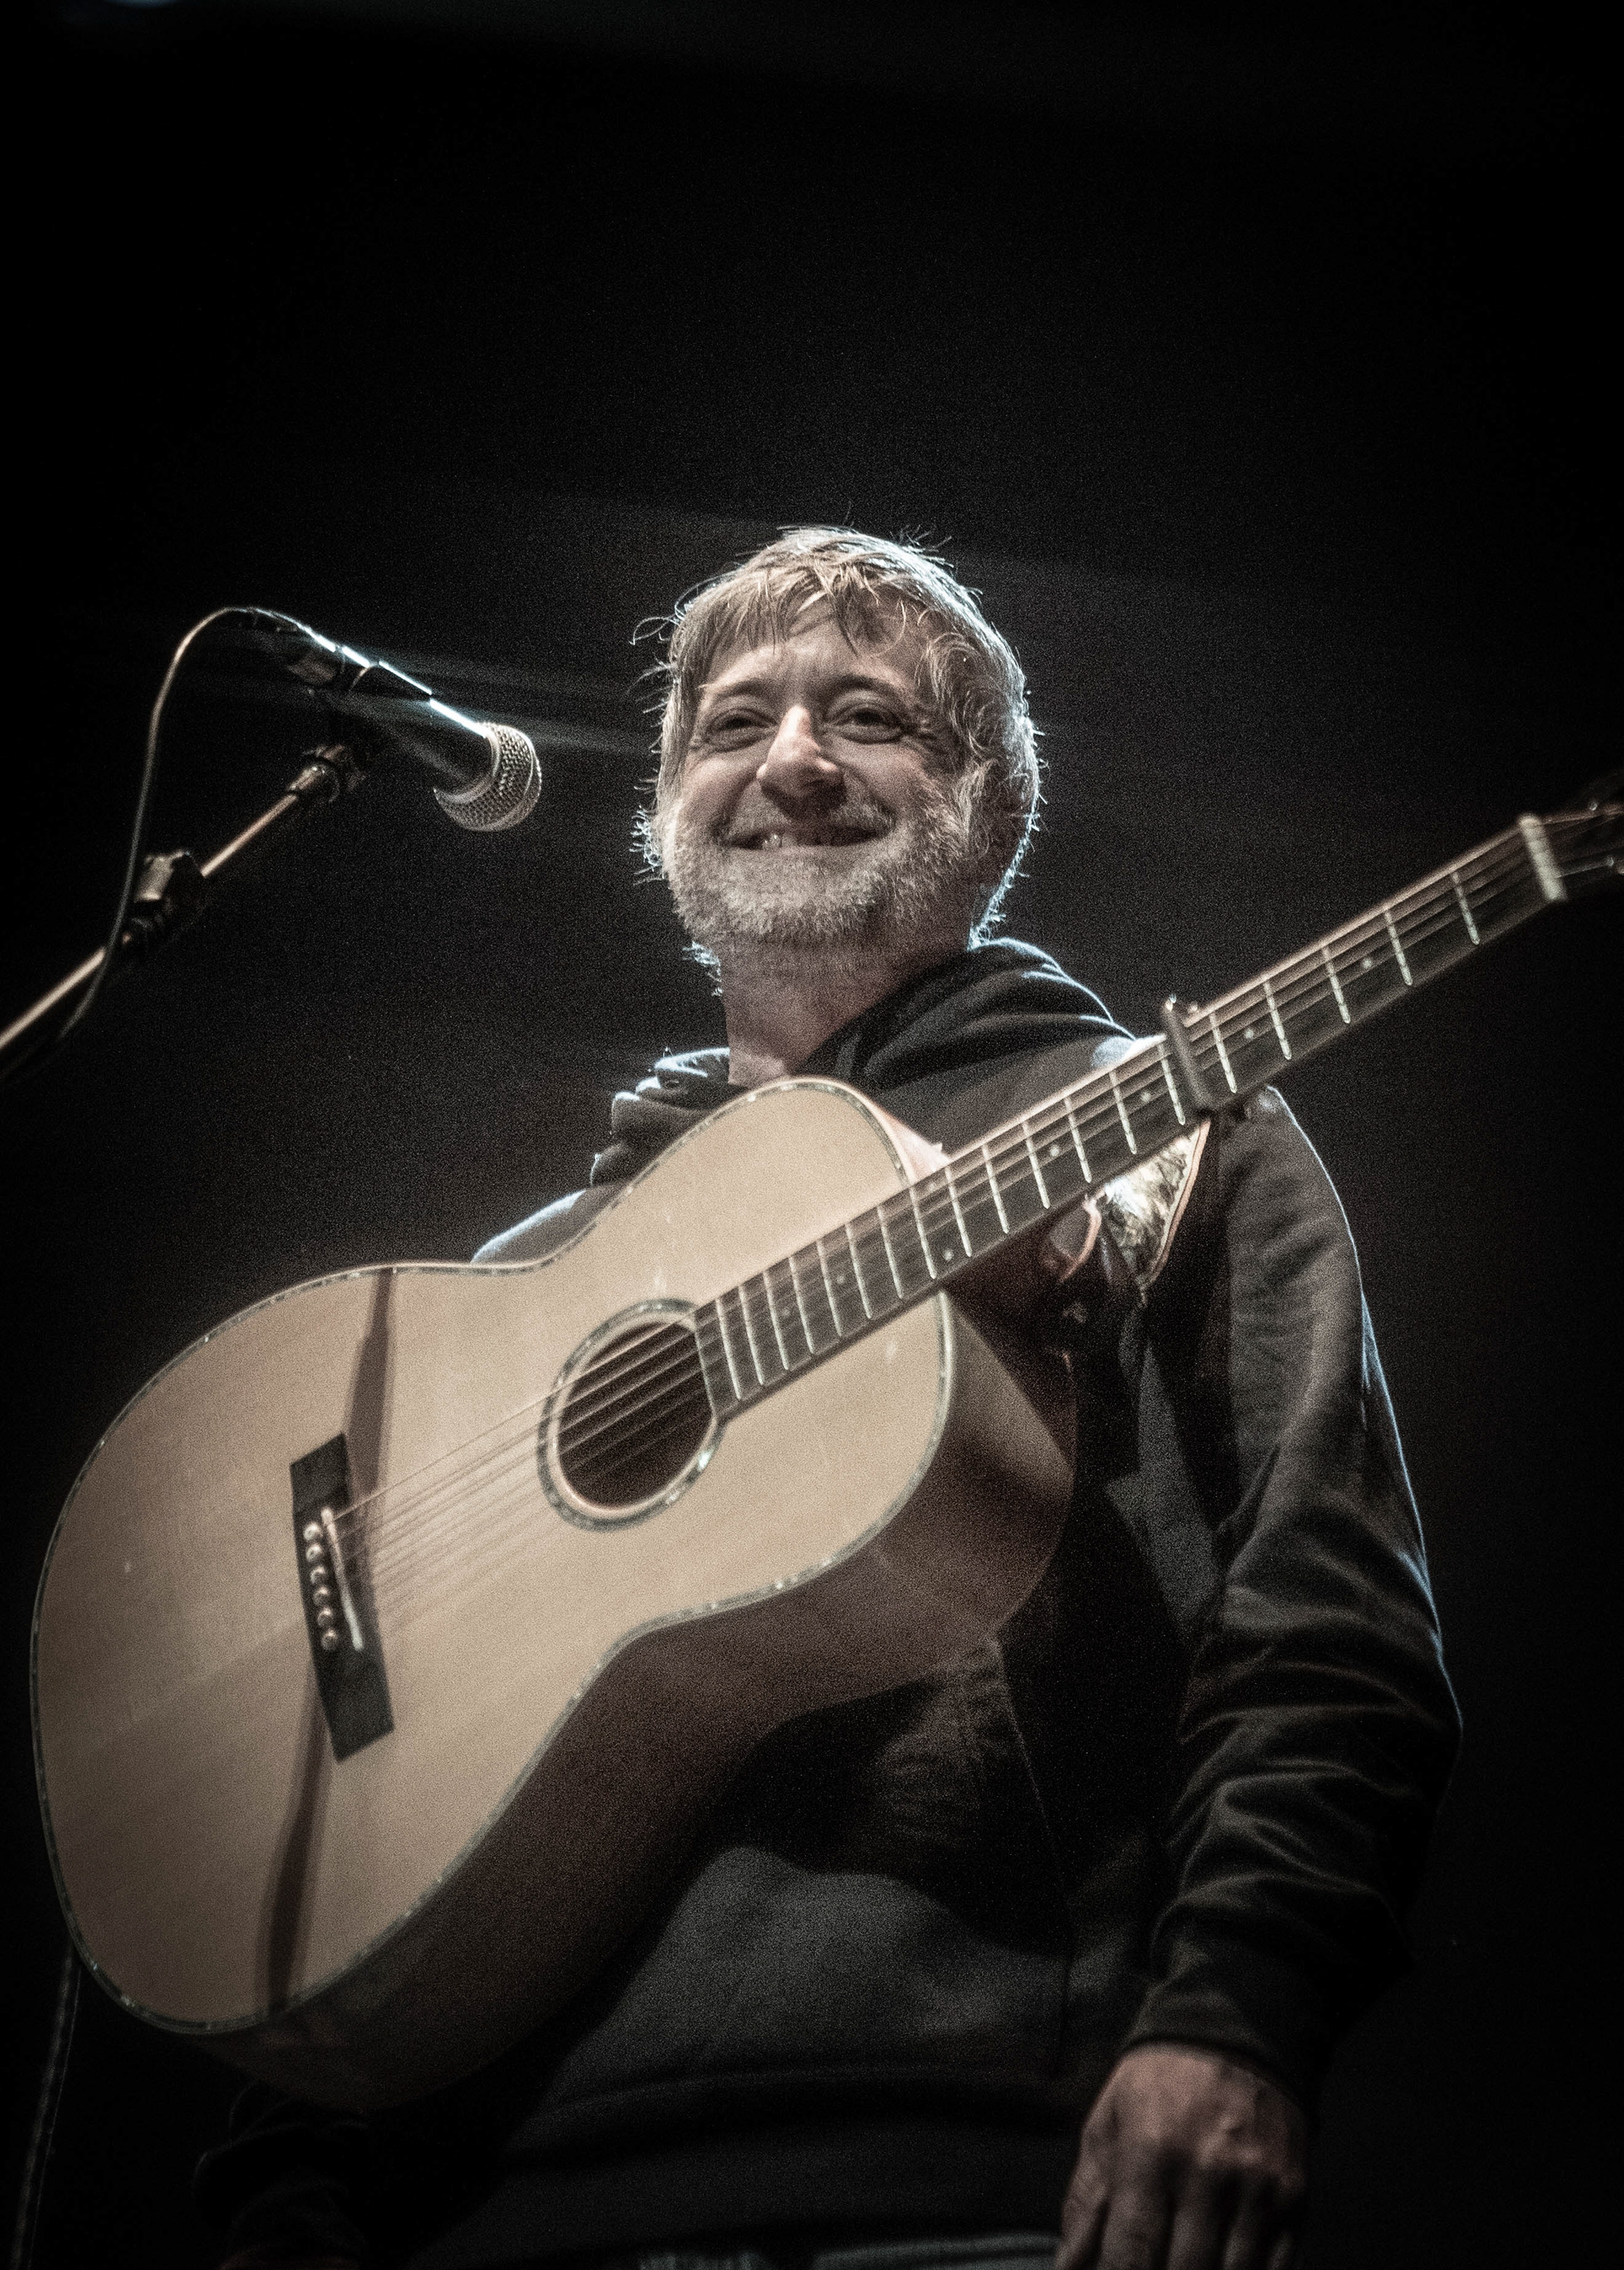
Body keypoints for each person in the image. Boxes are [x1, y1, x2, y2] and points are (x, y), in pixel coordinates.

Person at [201, 530, 1460, 2270]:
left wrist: (1237, 2017)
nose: (790, 760)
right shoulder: (520, 1286)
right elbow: (358, 1825)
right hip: (495, 2218)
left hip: (983, 2191)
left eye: (868, 717)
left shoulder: (1167, 1137)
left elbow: (1327, 1635)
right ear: (667, 815)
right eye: (733, 724)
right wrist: (287, 2199)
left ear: (990, 813)